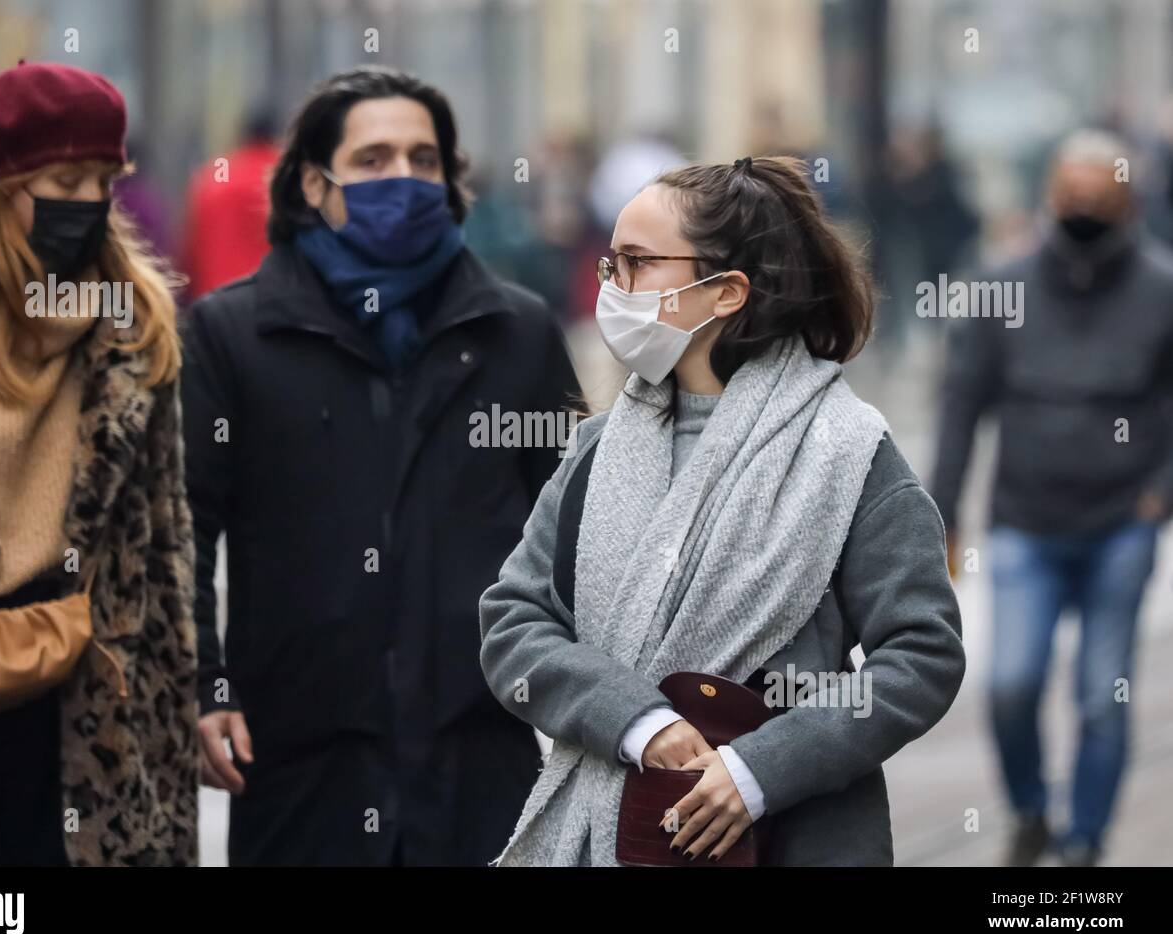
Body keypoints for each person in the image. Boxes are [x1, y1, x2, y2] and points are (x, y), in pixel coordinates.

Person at [480, 157, 965, 866]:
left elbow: (921, 656)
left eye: (639, 263)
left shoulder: (849, 452)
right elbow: (513, 621)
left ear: (726, 291)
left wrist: (761, 770)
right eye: (611, 264)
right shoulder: (596, 449)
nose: (612, 286)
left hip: (794, 838)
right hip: (608, 830)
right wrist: (638, 721)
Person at [183, 66, 581, 866]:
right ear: (312, 182)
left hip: (483, 754)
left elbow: (577, 529)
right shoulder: (231, 336)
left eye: (422, 159)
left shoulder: (519, 332)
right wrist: (203, 684)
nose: (402, 178)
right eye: (372, 160)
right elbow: (184, 528)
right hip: (300, 758)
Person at [0, 61, 198, 866]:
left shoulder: (133, 329)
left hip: (89, 692)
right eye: (64, 178)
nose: (88, 201)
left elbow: (165, 545)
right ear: (0, 184)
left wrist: (173, 707)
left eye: (102, 179)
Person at [931, 129, 1173, 867]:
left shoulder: (1163, 292)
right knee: (1010, 684)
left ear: (1130, 201)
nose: (1084, 209)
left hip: (1120, 527)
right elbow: (961, 405)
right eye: (1072, 195)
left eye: (1100, 197)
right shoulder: (1000, 288)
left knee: (1104, 695)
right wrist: (944, 516)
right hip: (1022, 526)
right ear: (1047, 197)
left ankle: (1084, 841)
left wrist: (1160, 494)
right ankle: (1031, 808)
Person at [180, 111, 280, 300]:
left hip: (215, 296)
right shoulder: (286, 178)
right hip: (273, 299)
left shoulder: (217, 175)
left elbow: (191, 245)